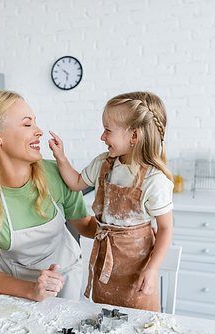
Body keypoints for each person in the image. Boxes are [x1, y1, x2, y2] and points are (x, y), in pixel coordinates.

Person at [0, 90, 97, 302]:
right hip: (9, 285)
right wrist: (30, 290)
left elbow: (84, 225)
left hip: (63, 280)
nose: (39, 131)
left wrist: (127, 230)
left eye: (35, 123)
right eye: (27, 124)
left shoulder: (56, 174)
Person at [48, 91, 174, 311]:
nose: (102, 137)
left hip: (137, 270)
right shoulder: (104, 164)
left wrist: (152, 270)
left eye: (108, 130)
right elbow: (76, 183)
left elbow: (165, 229)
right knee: (103, 316)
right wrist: (61, 157)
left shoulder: (155, 180)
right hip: (105, 262)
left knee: (135, 321)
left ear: (134, 136)